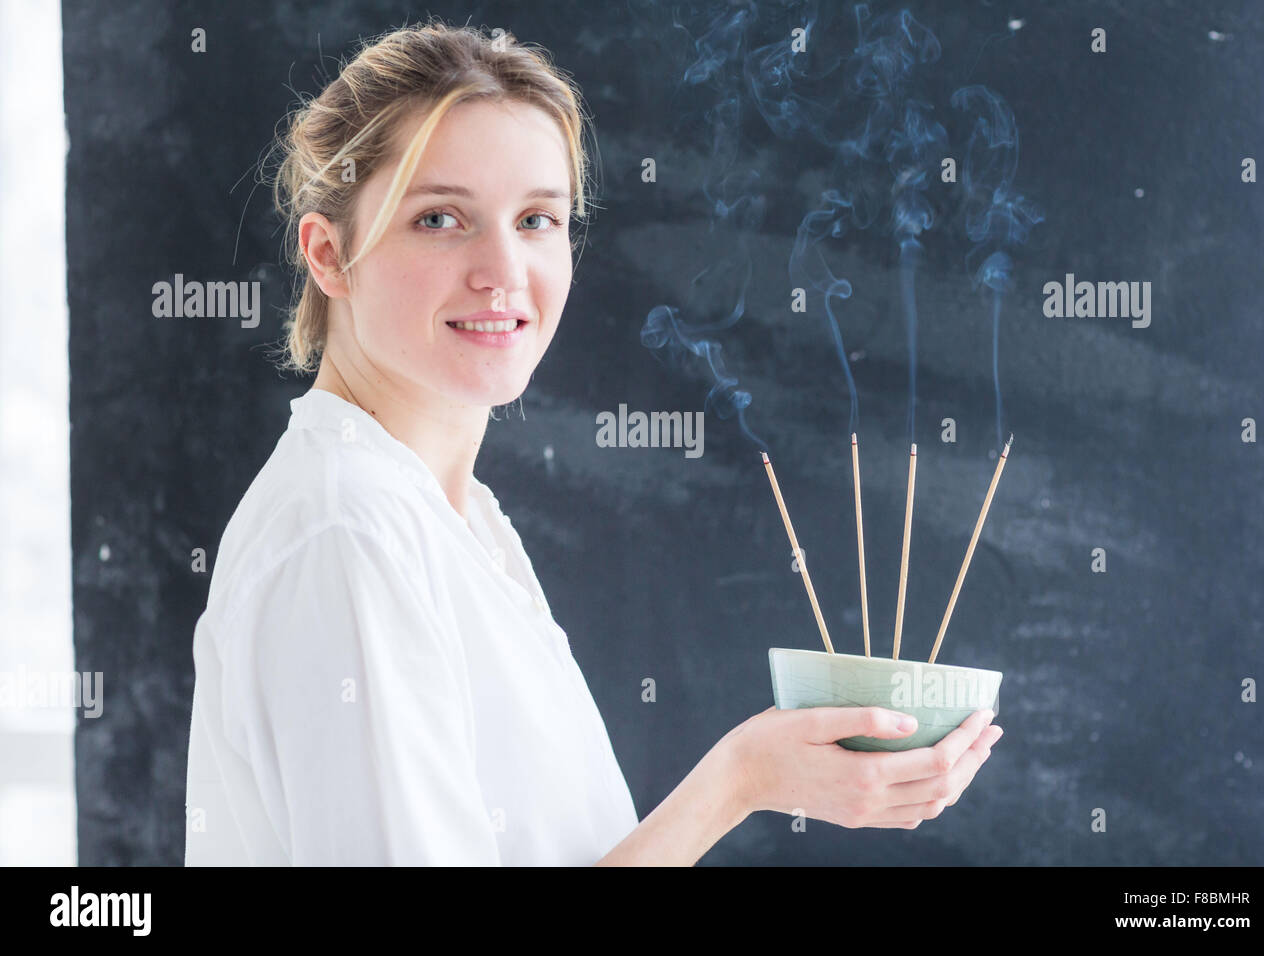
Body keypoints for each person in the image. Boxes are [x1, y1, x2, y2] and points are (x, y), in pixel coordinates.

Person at [183, 20, 1003, 867]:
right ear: (330, 255)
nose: (503, 270)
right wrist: (738, 782)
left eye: (537, 218)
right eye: (439, 218)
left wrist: (760, 778)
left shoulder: (452, 518)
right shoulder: (349, 534)